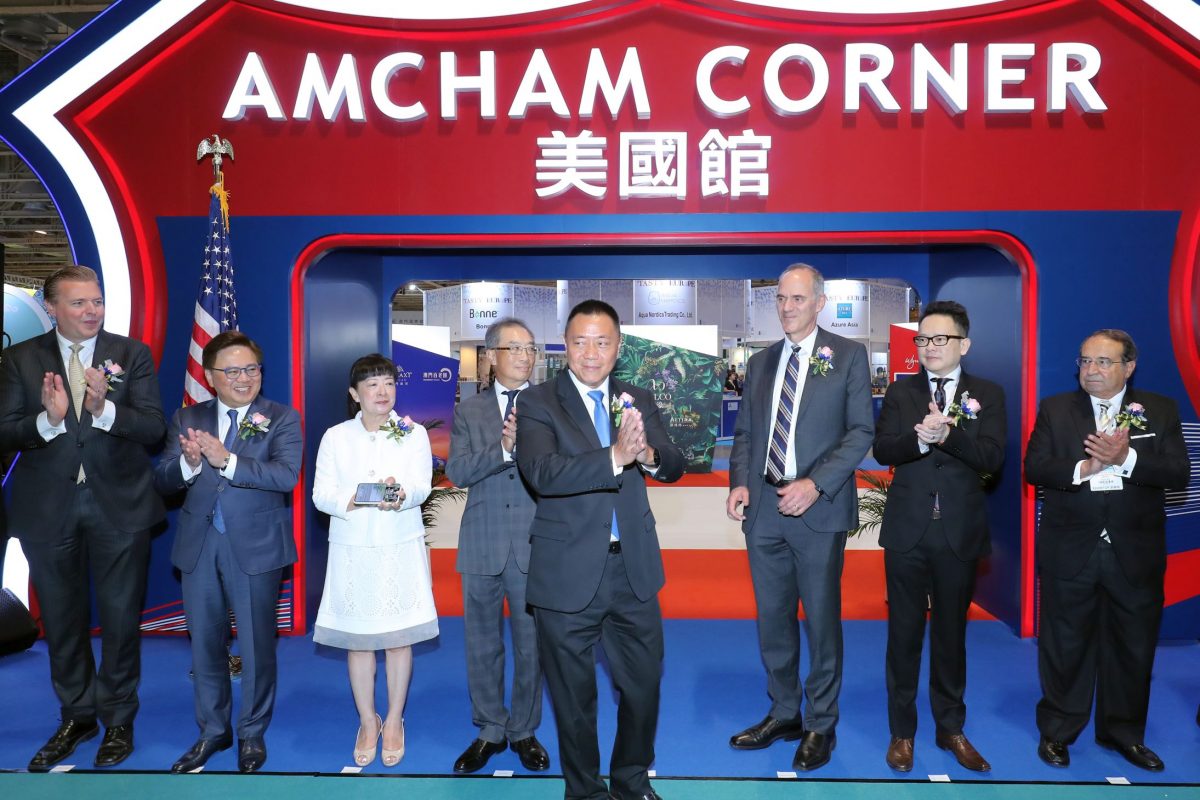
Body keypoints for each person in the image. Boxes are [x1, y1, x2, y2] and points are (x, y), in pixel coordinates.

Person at [517, 299, 684, 800]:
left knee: (644, 686)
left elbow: (673, 462)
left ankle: (631, 780)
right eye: (580, 341)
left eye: (602, 342)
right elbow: (542, 473)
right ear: (566, 346)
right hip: (566, 574)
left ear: (618, 347)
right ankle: (586, 791)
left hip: (632, 572)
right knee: (574, 699)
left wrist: (647, 454)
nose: (591, 353)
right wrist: (614, 455)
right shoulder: (537, 402)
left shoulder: (636, 397)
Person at [0, 265, 165, 771]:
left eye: (97, 301)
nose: (92, 311)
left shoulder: (131, 354)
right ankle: (77, 716)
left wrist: (103, 409)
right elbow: (5, 430)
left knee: (120, 620)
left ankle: (118, 719)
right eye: (79, 303)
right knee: (62, 620)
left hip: (120, 506)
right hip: (47, 508)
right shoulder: (19, 358)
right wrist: (47, 420)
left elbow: (153, 428)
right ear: (52, 308)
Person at [726, 264, 873, 772]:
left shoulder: (848, 356)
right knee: (773, 620)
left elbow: (861, 432)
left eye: (797, 299)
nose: (787, 308)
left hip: (818, 509)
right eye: (781, 299)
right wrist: (740, 481)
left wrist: (815, 484)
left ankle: (820, 724)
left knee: (822, 623)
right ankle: (785, 712)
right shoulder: (762, 362)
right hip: (764, 510)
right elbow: (746, 433)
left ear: (819, 303)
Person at [1025, 329, 1189, 772]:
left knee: (1133, 646)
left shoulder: (1160, 409)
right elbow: (1035, 468)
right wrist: (1086, 466)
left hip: (1134, 550)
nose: (1091, 370)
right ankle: (1058, 731)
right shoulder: (1056, 409)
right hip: (1070, 547)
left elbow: (1178, 473)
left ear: (1128, 367)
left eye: (1103, 362)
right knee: (1064, 645)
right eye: (1084, 361)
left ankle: (1123, 733)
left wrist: (1125, 460)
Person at [155, 330, 302, 773]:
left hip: (257, 545)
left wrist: (226, 460)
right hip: (200, 544)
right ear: (210, 375)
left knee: (256, 646)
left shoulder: (281, 417)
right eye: (232, 371)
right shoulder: (187, 417)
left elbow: (285, 476)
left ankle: (251, 732)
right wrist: (189, 464)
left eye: (251, 369)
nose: (244, 378)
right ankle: (213, 730)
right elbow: (162, 480)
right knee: (205, 644)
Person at [872, 300, 1006, 773]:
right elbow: (882, 448)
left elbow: (991, 458)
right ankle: (902, 732)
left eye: (939, 338)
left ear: (963, 344)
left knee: (951, 637)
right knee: (903, 637)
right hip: (907, 532)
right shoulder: (900, 392)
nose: (929, 347)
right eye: (923, 339)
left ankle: (951, 728)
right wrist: (919, 439)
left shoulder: (988, 393)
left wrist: (948, 435)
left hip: (958, 533)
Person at [311, 353, 438, 769]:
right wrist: (354, 497)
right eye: (372, 384)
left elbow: (422, 485)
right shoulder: (336, 437)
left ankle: (395, 718)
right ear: (354, 393)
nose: (382, 392)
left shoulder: (414, 433)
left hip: (398, 543)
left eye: (388, 383)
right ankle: (369, 721)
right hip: (352, 548)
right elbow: (320, 494)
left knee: (399, 637)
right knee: (359, 640)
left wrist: (401, 494)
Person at [446, 319, 548, 774]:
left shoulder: (551, 405)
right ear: (491, 356)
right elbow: (458, 472)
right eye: (515, 348)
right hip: (482, 540)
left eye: (530, 348)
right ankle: (489, 728)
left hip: (536, 540)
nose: (525, 356)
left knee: (532, 645)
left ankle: (524, 730)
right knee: (482, 644)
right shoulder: (469, 411)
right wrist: (504, 451)